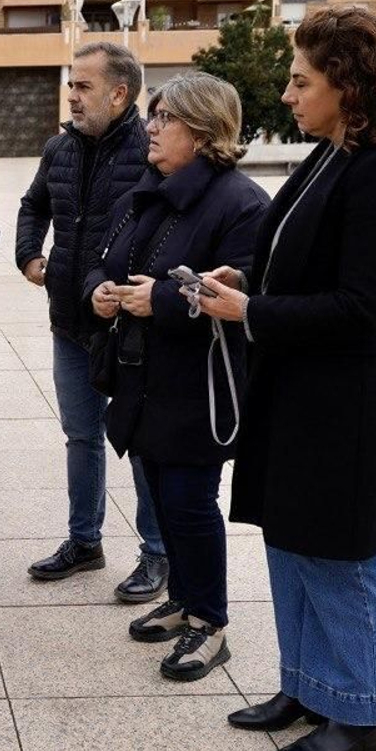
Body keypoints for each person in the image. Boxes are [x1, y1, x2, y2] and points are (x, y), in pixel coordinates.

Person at [196, 5, 376, 751]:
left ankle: (362, 716)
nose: (289, 95)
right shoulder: (330, 154)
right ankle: (306, 688)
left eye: (303, 81)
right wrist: (247, 280)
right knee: (292, 545)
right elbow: (306, 262)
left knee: (341, 557)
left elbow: (366, 305)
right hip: (299, 392)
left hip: (350, 408)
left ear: (348, 82)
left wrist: (252, 310)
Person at [88, 74, 267, 681]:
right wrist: (102, 293)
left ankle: (210, 624)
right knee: (164, 500)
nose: (152, 127)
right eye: (152, 115)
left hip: (198, 381)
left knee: (191, 503)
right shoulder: (149, 189)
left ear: (204, 128)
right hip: (143, 374)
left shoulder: (240, 202)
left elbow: (240, 290)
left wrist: (159, 300)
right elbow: (105, 260)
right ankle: (185, 600)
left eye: (166, 118)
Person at [16, 41, 170, 603]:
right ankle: (86, 541)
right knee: (82, 435)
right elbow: (33, 205)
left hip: (128, 325)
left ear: (119, 92)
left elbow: (166, 224)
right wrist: (30, 253)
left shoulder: (152, 148)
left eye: (83, 85)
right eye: (72, 84)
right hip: (69, 321)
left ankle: (158, 553)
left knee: (142, 440)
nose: (72, 95)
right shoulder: (59, 148)